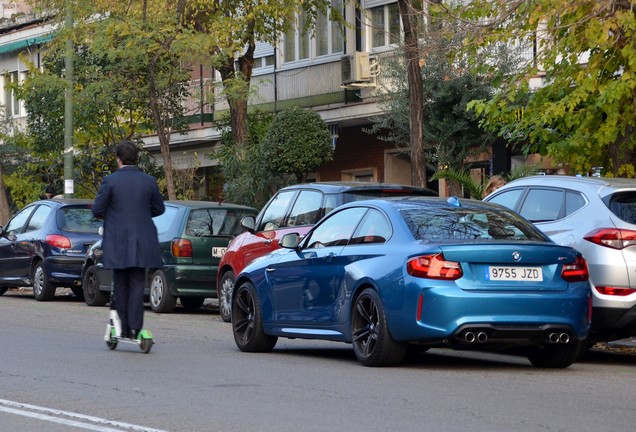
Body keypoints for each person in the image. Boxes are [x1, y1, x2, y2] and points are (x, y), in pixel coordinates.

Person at [92, 141, 165, 339]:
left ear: (119, 159)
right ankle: (136, 329)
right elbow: (160, 208)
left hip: (118, 240)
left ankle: (122, 328)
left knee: (121, 283)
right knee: (137, 283)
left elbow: (97, 209)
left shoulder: (110, 181)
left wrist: (113, 215)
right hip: (143, 239)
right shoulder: (149, 181)